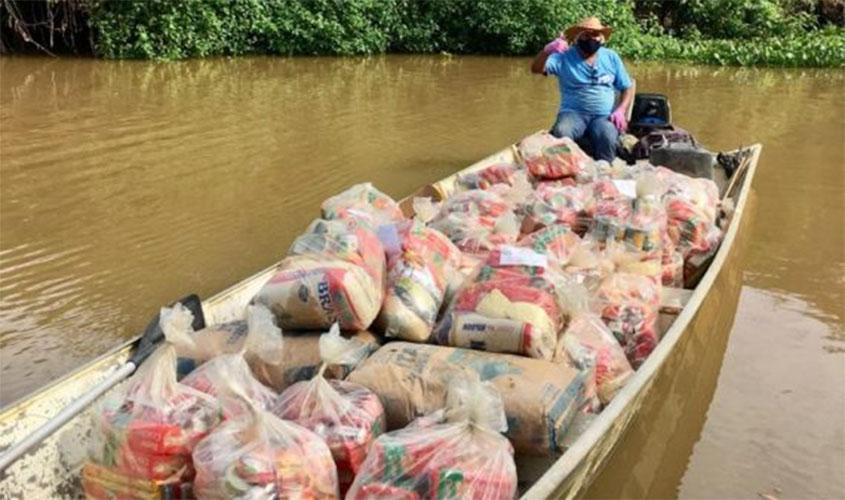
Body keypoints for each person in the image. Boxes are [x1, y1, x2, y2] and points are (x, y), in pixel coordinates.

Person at [531, 16, 634, 162]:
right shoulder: (563, 57)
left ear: (602, 38)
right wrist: (547, 51)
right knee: (561, 132)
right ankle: (565, 171)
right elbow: (535, 69)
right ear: (578, 37)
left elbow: (627, 87)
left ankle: (605, 172)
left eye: (595, 34)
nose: (591, 38)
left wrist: (621, 110)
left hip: (603, 116)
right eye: (586, 34)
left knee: (608, 136)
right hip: (573, 114)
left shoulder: (611, 57)